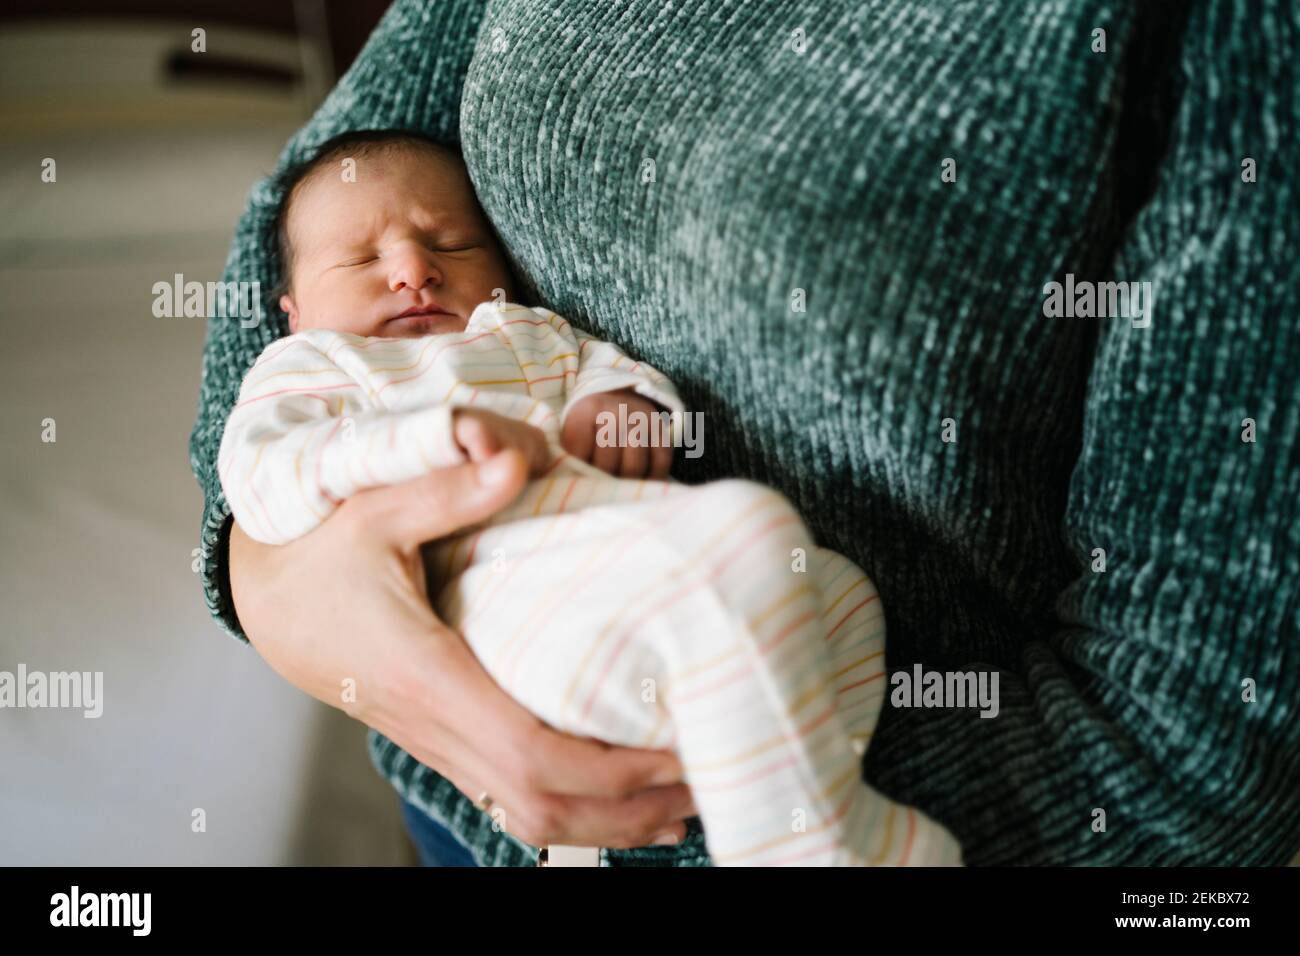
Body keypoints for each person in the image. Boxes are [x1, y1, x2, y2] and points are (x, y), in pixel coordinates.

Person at [190, 0, 1300, 866]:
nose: (412, 267)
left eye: (444, 241)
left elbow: (1194, 746)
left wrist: (683, 813)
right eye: (370, 263)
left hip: (854, 770)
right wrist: (290, 592)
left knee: (762, 574)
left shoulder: (512, 333)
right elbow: (295, 227)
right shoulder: (326, 354)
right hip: (449, 783)